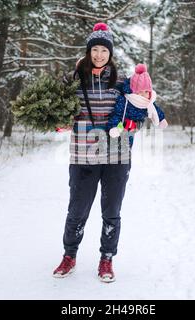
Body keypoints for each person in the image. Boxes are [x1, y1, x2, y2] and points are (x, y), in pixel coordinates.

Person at [53, 22, 130, 283]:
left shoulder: (121, 82)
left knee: (111, 211)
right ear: (88, 52)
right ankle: (69, 256)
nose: (98, 55)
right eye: (94, 50)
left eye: (103, 50)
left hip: (116, 154)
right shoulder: (73, 79)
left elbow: (137, 111)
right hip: (83, 154)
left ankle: (106, 259)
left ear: (110, 54)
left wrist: (133, 123)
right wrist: (58, 120)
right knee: (77, 209)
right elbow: (57, 107)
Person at [107, 63, 168, 147]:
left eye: (146, 91)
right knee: (116, 141)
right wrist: (114, 126)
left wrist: (161, 119)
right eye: (140, 92)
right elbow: (117, 114)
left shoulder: (148, 103)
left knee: (127, 145)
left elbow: (156, 110)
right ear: (133, 92)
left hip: (132, 128)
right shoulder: (126, 100)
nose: (144, 95)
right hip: (121, 124)